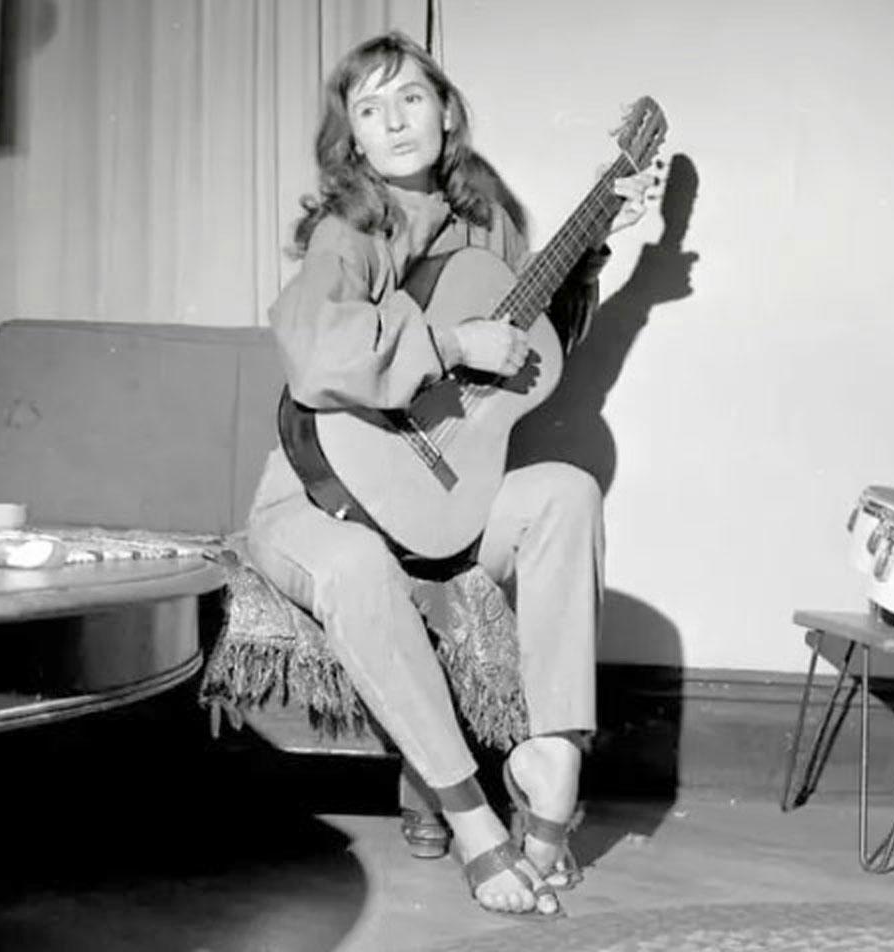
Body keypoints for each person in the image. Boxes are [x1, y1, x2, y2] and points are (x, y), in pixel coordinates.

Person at [245, 31, 660, 918]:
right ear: (353, 139)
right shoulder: (348, 230)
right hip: (318, 498)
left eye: (411, 98)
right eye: (370, 108)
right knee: (357, 569)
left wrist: (593, 248)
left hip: (438, 499)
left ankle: (553, 756)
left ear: (446, 112)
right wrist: (450, 343)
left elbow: (530, 344)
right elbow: (316, 352)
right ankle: (472, 816)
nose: (395, 121)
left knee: (566, 493)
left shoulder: (488, 221)